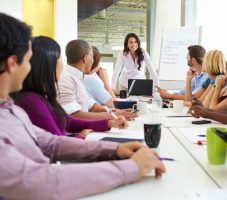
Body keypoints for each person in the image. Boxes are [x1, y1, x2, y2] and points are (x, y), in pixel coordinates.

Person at [0, 13, 165, 199]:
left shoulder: (11, 109)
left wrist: (115, 150)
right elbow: (40, 182)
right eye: (28, 61)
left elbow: (52, 143)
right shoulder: (25, 103)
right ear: (13, 63)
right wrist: (132, 167)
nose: (31, 67)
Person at [13, 36, 126, 138]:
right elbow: (55, 143)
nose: (63, 64)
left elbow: (69, 121)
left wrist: (109, 122)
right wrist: (81, 137)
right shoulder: (33, 101)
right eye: (60, 58)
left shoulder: (42, 96)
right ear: (48, 64)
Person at [57, 39, 135, 120]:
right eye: (91, 56)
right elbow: (74, 115)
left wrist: (117, 112)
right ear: (85, 58)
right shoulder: (66, 79)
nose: (93, 60)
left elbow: (92, 106)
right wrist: (114, 116)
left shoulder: (79, 77)